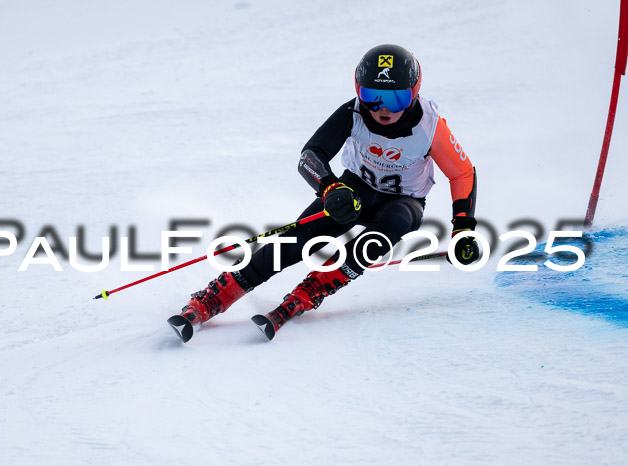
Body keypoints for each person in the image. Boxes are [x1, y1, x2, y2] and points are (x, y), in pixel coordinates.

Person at [168, 44, 480, 342]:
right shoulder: (353, 113)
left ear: (414, 93)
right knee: (296, 240)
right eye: (371, 96)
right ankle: (214, 297)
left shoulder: (430, 126)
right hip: (353, 189)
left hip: (403, 200)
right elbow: (311, 155)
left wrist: (463, 228)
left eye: (395, 99)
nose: (382, 108)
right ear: (359, 91)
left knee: (389, 227)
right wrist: (329, 187)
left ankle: (313, 289)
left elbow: (462, 172)